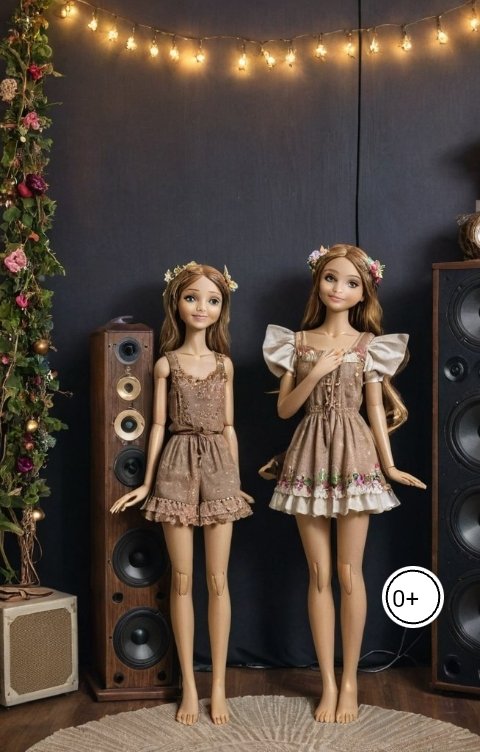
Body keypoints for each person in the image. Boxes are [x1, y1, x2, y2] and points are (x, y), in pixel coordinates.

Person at [262, 244, 426, 724]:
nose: (339, 288)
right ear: (318, 281)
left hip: (355, 453)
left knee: (350, 573)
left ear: (364, 292)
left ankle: (350, 680)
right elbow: (285, 410)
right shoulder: (295, 342)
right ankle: (328, 684)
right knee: (318, 574)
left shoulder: (369, 345)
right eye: (331, 278)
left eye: (351, 282)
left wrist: (389, 466)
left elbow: (374, 409)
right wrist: (316, 371)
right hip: (308, 454)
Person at [111, 261, 253, 726]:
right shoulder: (165, 363)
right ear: (177, 301)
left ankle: (219, 686)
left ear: (222, 307)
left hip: (219, 468)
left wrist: (234, 481)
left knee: (218, 580)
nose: (201, 307)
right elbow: (156, 426)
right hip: (175, 463)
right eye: (192, 297)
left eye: (212, 300)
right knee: (183, 580)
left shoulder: (224, 364)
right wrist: (147, 482)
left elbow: (229, 426)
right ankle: (189, 685)